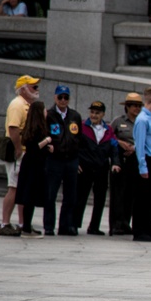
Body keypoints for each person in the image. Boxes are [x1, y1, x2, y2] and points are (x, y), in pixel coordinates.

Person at [0, 74, 40, 236]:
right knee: (14, 188)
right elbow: (13, 129)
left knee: (23, 189)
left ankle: (24, 224)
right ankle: (5, 223)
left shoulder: (28, 105)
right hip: (19, 152)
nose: (37, 90)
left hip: (26, 152)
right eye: (33, 87)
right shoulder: (17, 105)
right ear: (23, 89)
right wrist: (18, 149)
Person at [74, 100, 121, 236]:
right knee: (81, 197)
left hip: (101, 169)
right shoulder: (82, 127)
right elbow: (75, 146)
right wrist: (76, 162)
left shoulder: (108, 130)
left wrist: (116, 163)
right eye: (92, 112)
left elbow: (114, 148)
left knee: (100, 199)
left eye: (97, 113)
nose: (94, 115)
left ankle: (94, 226)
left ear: (103, 114)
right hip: (85, 168)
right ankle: (74, 224)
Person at [44, 85, 83, 236]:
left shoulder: (75, 116)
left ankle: (66, 225)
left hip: (71, 159)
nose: (63, 100)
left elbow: (79, 138)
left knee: (71, 195)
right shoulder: (49, 114)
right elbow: (44, 134)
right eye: (60, 97)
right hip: (55, 160)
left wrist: (78, 159)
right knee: (50, 194)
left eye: (66, 97)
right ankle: (49, 226)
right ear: (55, 97)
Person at [13, 101, 51, 239]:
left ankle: (27, 225)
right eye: (44, 110)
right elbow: (35, 147)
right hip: (33, 166)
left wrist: (48, 148)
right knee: (30, 196)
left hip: (33, 164)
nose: (46, 112)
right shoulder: (37, 129)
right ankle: (26, 228)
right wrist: (47, 141)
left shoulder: (32, 127)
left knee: (31, 197)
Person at [109, 93, 142, 235]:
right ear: (127, 107)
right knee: (118, 194)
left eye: (139, 106)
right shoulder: (118, 121)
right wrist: (119, 142)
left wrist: (135, 148)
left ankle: (125, 223)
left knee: (131, 193)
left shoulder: (142, 121)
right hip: (120, 160)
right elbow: (108, 136)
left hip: (135, 160)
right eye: (134, 106)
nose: (137, 108)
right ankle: (115, 224)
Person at [131, 87, 151, 242]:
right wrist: (142, 167)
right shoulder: (142, 119)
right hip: (146, 160)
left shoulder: (150, 118)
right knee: (143, 198)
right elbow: (140, 145)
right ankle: (139, 230)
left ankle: (147, 228)